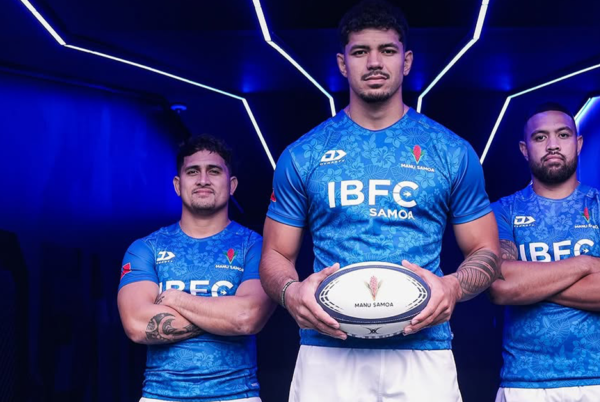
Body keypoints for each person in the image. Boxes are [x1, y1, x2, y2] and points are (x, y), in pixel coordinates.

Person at [258, 1, 501, 400]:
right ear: (342, 63)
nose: (374, 62)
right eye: (360, 52)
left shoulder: (451, 151)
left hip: (424, 349)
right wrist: (290, 293)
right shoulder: (304, 153)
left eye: (387, 51)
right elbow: (274, 256)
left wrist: (454, 287)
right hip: (327, 350)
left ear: (406, 61)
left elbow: (485, 250)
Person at [489, 102, 600, 402]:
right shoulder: (503, 212)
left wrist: (528, 283)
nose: (552, 145)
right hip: (524, 382)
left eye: (562, 135)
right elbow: (499, 286)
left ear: (578, 143)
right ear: (524, 149)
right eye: (540, 137)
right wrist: (585, 264)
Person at [117, 135, 275, 402]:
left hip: (237, 395)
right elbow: (136, 324)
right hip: (160, 396)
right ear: (178, 185)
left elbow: (247, 317)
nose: (203, 179)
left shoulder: (256, 247)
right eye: (193, 172)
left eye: (214, 171)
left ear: (232, 184)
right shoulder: (145, 248)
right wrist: (224, 313)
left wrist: (176, 299)